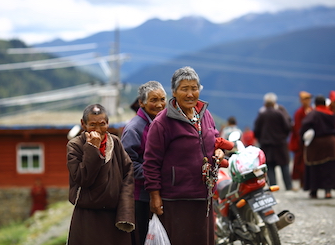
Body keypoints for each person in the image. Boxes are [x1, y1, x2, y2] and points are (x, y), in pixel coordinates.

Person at [143, 66, 233, 245]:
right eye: (185, 89)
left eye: (194, 88)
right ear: (174, 92)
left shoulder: (205, 115)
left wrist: (219, 150)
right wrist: (155, 195)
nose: (190, 94)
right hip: (176, 199)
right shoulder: (162, 123)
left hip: (204, 195)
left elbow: (214, 137)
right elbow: (150, 163)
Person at [66, 104, 135, 245]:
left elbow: (128, 174)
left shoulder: (115, 143)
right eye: (92, 124)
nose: (98, 130)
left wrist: (125, 211)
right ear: (83, 124)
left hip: (114, 215)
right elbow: (83, 179)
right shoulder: (75, 146)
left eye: (102, 124)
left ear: (108, 123)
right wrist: (92, 149)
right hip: (87, 216)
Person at [121, 81, 166, 245]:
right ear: (141, 102)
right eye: (154, 100)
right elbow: (127, 163)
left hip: (160, 192)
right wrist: (154, 176)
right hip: (140, 196)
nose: (160, 104)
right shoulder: (135, 128)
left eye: (162, 99)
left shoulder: (161, 124)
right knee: (141, 239)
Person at [300, 95, 335, 199]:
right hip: (331, 143)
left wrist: (304, 137)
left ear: (316, 103)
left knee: (315, 167)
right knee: (329, 167)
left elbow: (305, 125)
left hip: (316, 144)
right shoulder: (332, 113)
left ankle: (314, 191)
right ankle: (328, 192)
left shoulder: (313, 113)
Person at [254, 92, 293, 190]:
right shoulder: (280, 113)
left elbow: (256, 130)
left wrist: (261, 139)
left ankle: (273, 186)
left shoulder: (262, 114)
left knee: (270, 166)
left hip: (266, 145)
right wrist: (283, 136)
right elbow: (288, 126)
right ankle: (288, 186)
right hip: (280, 143)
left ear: (265, 103)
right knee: (284, 165)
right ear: (274, 103)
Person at [288, 91, 313, 188]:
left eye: (309, 99)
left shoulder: (311, 110)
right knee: (301, 164)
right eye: (306, 99)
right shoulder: (299, 113)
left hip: (312, 142)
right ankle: (303, 182)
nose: (308, 101)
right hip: (302, 141)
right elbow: (298, 128)